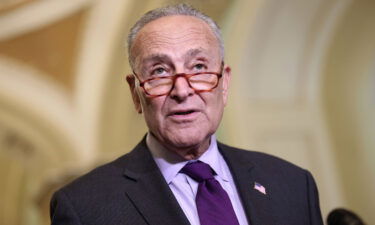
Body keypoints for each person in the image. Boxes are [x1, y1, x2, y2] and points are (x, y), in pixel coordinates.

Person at [50, 4, 323, 225]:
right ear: (136, 93)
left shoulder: (293, 184)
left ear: (224, 84)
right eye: (159, 71)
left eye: (199, 66)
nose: (182, 90)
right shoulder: (85, 207)